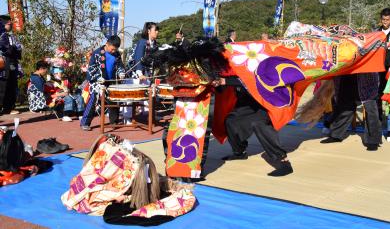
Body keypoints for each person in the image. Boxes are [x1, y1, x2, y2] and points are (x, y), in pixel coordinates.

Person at [61, 134, 196, 224]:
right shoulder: (101, 162)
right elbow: (91, 180)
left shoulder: (131, 163)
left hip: (133, 174)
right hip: (124, 177)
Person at [214, 76, 293, 177]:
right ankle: (239, 152)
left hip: (265, 103)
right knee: (231, 121)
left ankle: (283, 160)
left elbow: (255, 78)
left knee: (259, 123)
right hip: (246, 103)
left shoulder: (259, 62)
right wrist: (216, 83)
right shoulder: (232, 65)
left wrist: (227, 81)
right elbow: (222, 88)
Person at [321, 73, 382, 151]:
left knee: (371, 110)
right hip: (347, 75)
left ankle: (373, 141)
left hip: (366, 77)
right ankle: (336, 135)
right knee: (345, 108)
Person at [80, 36, 126, 131]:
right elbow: (91, 69)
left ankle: (114, 121)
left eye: (115, 49)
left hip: (111, 81)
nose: (113, 51)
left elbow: (120, 66)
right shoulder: (97, 53)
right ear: (107, 44)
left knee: (113, 99)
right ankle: (85, 122)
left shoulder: (116, 54)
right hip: (97, 82)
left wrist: (121, 72)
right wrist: (98, 77)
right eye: (112, 49)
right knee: (93, 100)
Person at [0, 15, 22, 115]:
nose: (11, 25)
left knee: (11, 83)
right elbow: (5, 48)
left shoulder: (12, 36)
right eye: (9, 23)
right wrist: (11, 48)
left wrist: (13, 48)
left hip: (11, 62)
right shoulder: (2, 35)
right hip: (2, 62)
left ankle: (9, 107)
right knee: (2, 84)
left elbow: (18, 48)